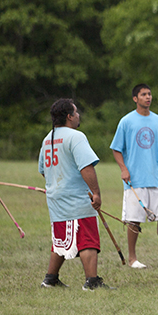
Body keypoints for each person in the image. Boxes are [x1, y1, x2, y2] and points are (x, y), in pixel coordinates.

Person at [38, 99, 112, 290]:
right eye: (76, 112)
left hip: (56, 199)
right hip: (76, 199)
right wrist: (96, 192)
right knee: (87, 240)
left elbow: (43, 170)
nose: (78, 115)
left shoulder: (48, 138)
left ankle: (50, 279)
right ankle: (92, 282)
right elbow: (86, 167)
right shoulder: (76, 136)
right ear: (69, 116)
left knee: (61, 239)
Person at [110, 84, 158, 269]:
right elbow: (116, 149)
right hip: (135, 179)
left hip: (156, 177)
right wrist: (123, 169)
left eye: (149, 94)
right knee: (134, 219)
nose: (148, 97)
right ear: (135, 98)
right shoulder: (126, 121)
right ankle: (132, 258)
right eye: (143, 95)